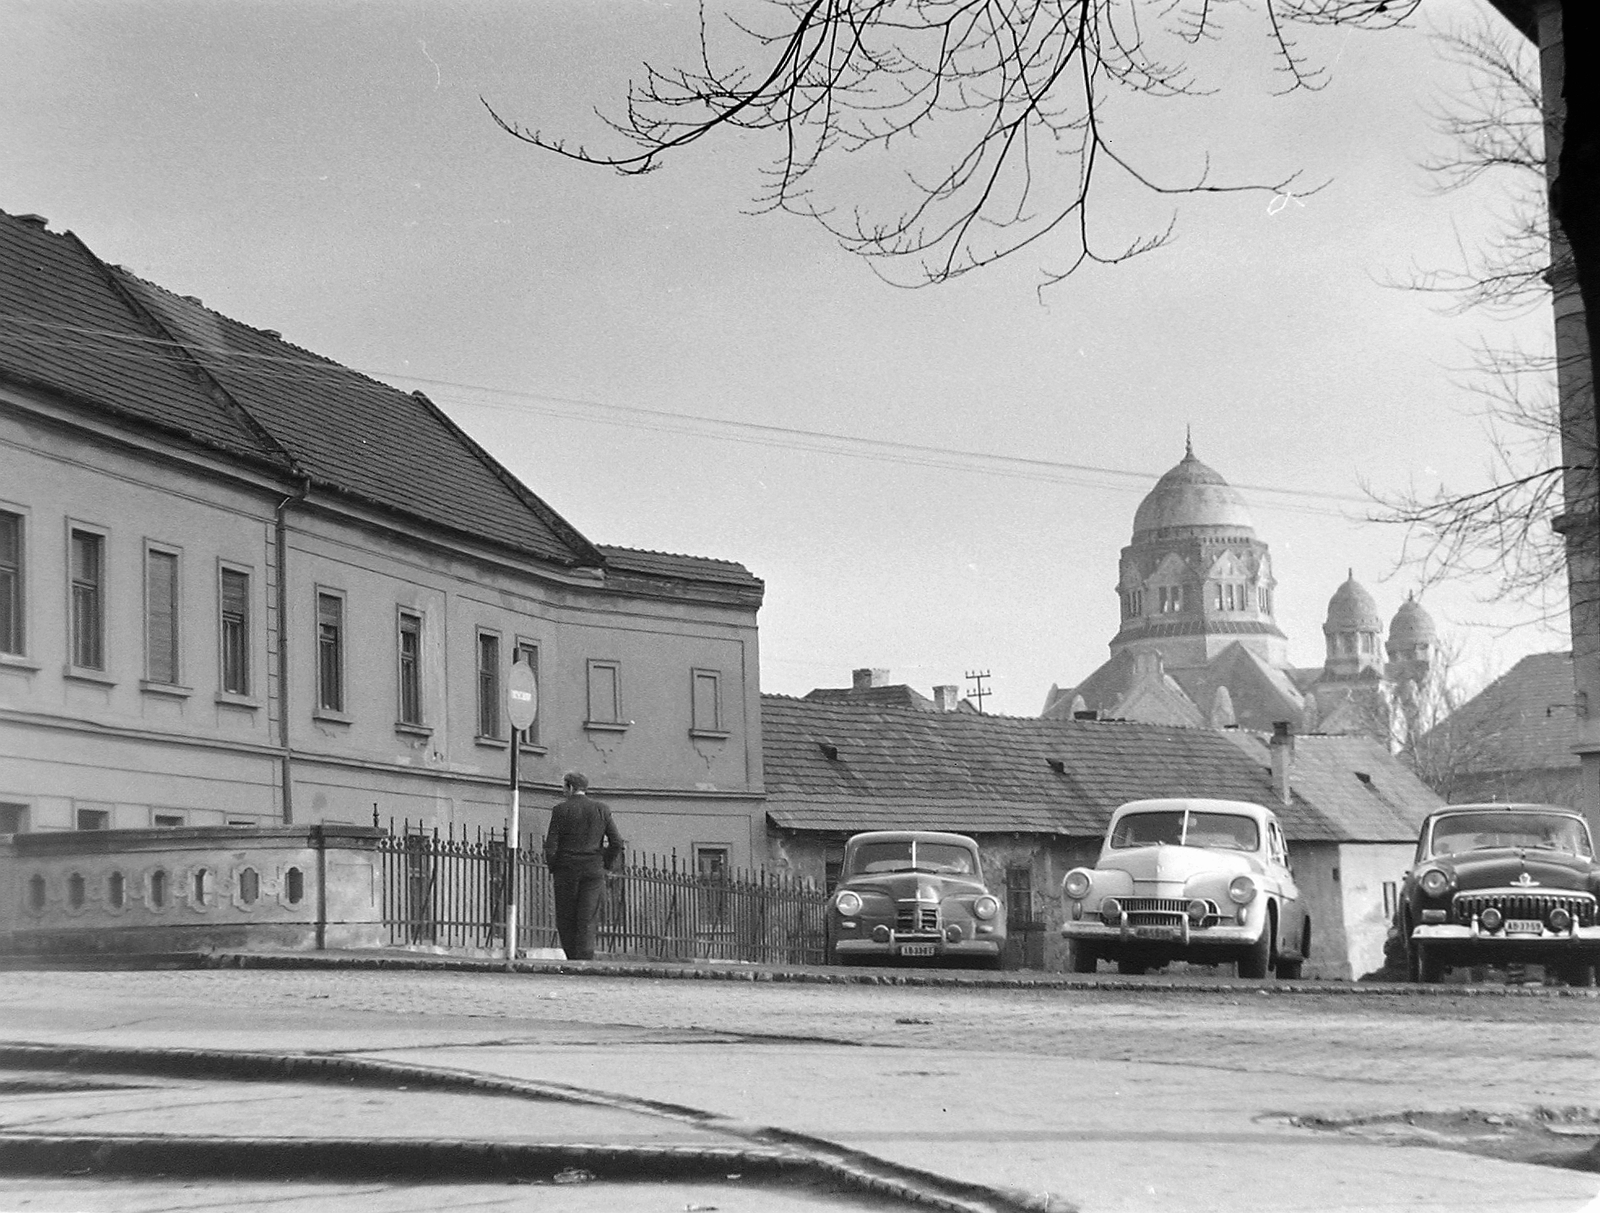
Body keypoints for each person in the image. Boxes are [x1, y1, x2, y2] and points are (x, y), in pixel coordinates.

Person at [543, 772, 624, 960]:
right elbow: (616, 842)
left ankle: (571, 957)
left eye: (564, 787)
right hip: (593, 871)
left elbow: (551, 844)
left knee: (566, 917)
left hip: (566, 870)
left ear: (570, 788)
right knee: (587, 917)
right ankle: (585, 959)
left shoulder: (561, 810)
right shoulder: (601, 809)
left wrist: (554, 866)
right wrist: (605, 864)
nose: (563, 791)